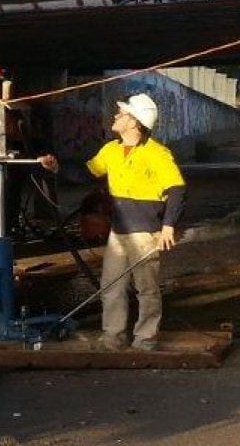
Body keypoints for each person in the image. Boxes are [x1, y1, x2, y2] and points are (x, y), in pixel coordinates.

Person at [39, 93, 186, 351]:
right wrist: (56, 168)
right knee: (111, 287)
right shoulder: (111, 150)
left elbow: (177, 190)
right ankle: (113, 337)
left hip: (145, 233)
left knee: (147, 290)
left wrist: (168, 226)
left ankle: (145, 338)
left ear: (134, 122)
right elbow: (85, 173)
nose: (116, 116)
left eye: (122, 113)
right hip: (118, 232)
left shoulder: (157, 154)